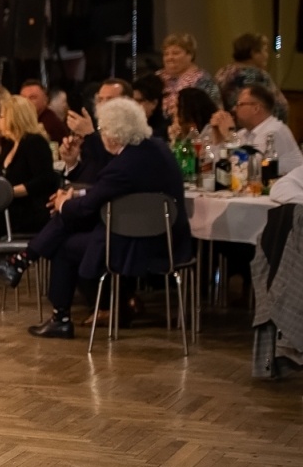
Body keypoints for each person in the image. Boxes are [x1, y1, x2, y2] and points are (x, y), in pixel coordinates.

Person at [26, 97, 190, 339]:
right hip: (170, 239)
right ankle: (25, 261)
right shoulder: (157, 149)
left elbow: (89, 205)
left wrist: (64, 203)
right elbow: (108, 189)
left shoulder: (125, 164)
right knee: (77, 226)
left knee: (65, 244)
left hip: (139, 246)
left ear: (113, 136)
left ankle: (60, 317)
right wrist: (73, 199)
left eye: (102, 130)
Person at [0, 93, 58, 236]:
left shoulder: (35, 142)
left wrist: (9, 192)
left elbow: (44, 180)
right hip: (7, 207)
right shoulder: (9, 144)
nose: (0, 120)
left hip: (28, 209)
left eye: (3, 116)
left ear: (14, 118)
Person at [206, 85, 303, 176]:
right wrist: (218, 138)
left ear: (256, 108)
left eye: (239, 104)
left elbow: (252, 170)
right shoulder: (243, 133)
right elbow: (216, 171)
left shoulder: (274, 131)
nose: (234, 109)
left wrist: (229, 134)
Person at [60, 77, 128, 186]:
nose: (104, 105)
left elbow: (114, 168)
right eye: (100, 100)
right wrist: (71, 162)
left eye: (109, 99)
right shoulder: (97, 133)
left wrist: (89, 135)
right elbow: (89, 176)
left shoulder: (132, 132)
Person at [215, 33, 287, 124]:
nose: (267, 55)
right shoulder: (259, 76)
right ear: (254, 53)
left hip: (227, 129)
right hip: (256, 130)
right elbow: (279, 106)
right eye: (265, 51)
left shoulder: (223, 72)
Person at [157, 33, 220, 125]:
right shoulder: (158, 78)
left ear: (190, 55)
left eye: (176, 53)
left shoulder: (203, 80)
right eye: (166, 54)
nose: (169, 58)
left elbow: (215, 113)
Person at [133, 73, 170, 140]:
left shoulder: (164, 131)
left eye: (139, 101)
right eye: (132, 100)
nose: (133, 105)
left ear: (154, 103)